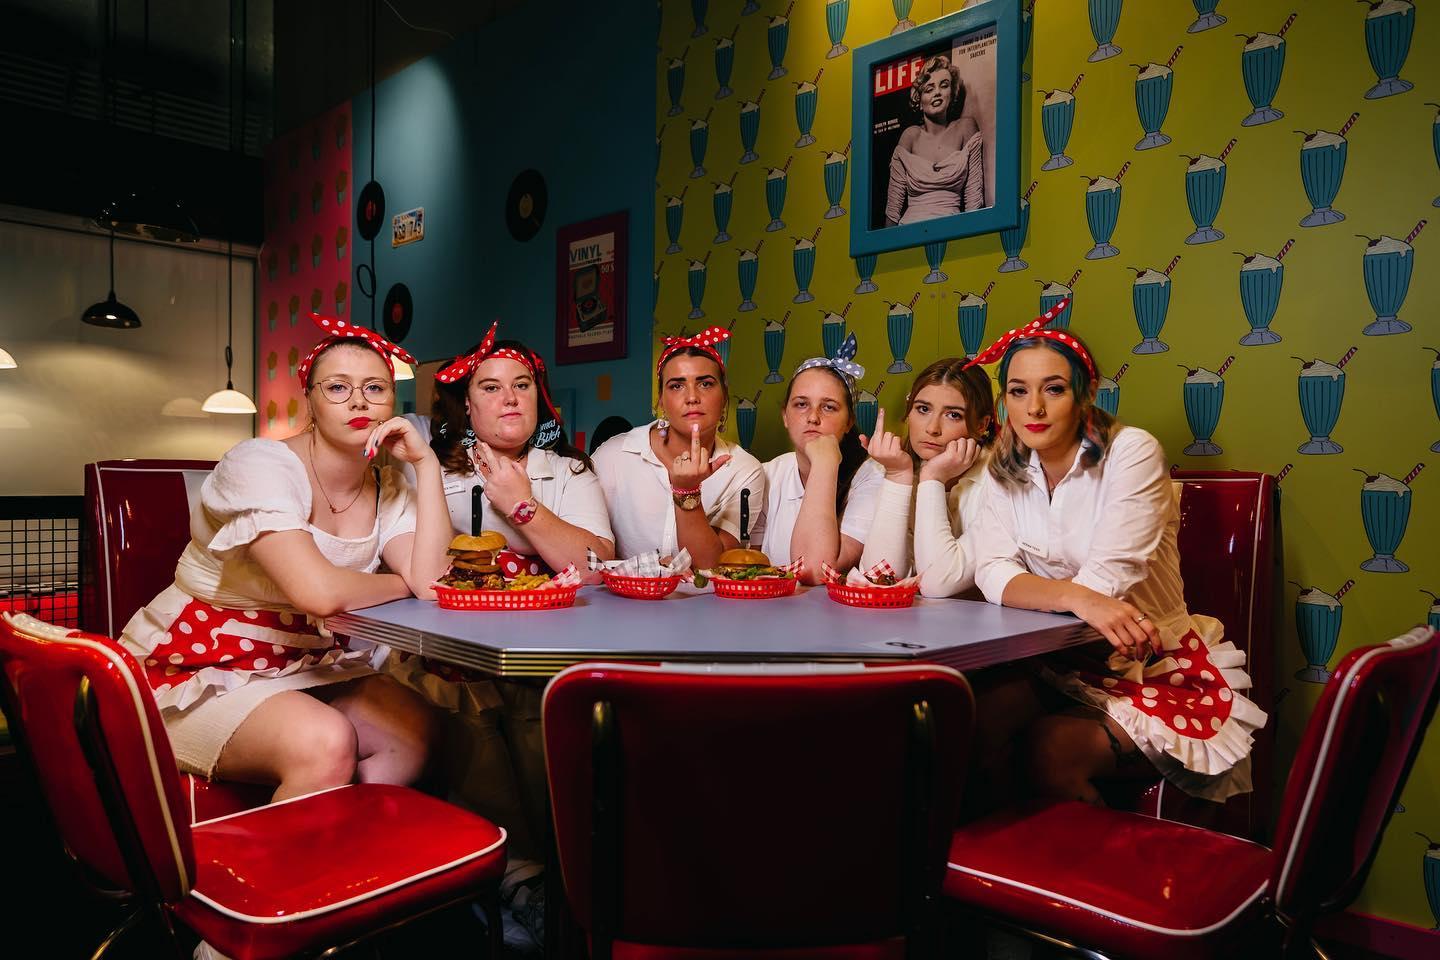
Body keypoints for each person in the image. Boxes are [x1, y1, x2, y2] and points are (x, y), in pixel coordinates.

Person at [119, 314, 448, 803]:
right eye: (338, 387)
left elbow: (433, 581)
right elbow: (318, 593)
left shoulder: (390, 485)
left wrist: (427, 463)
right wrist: (402, 583)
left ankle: (351, 841)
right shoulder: (258, 464)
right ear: (309, 400)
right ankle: (295, 850)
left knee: (416, 729)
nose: (359, 401)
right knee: (325, 742)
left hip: (304, 661)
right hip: (197, 667)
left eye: (375, 388)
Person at [967, 302, 1266, 805]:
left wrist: (1074, 594)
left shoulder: (1132, 452)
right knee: (966, 718)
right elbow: (992, 571)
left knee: (1050, 751)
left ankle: (1080, 859)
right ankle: (990, 853)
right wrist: (1076, 598)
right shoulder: (1005, 469)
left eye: (1053, 389)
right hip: (1057, 663)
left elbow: (1107, 580)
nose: (1034, 408)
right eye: (1018, 391)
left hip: (1154, 665)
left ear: (1085, 394)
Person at [390, 322, 614, 952]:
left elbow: (597, 563)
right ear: (466, 405)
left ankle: (562, 875)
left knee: (543, 699)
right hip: (453, 649)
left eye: (522, 385)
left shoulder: (567, 470)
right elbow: (425, 574)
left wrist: (523, 505)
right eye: (491, 387)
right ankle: (522, 877)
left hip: (550, 646)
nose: (510, 397)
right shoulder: (431, 474)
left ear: (540, 398)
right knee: (465, 694)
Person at [593, 326, 765, 569]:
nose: (692, 397)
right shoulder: (613, 455)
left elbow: (713, 567)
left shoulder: (744, 470)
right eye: (676, 386)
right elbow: (588, 551)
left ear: (724, 396)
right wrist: (646, 568)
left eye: (705, 384)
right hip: (625, 592)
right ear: (661, 400)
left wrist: (688, 492)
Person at [749, 334, 883, 583]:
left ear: (849, 422)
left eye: (829, 407)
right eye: (801, 404)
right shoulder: (766, 474)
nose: (813, 417)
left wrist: (824, 463)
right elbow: (751, 566)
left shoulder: (872, 477)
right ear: (785, 416)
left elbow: (814, 570)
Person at [859, 357, 996, 597]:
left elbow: (938, 582)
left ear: (982, 424)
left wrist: (933, 478)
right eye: (923, 409)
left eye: (953, 415)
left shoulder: (999, 481)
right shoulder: (887, 466)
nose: (932, 428)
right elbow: (879, 579)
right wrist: (897, 477)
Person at [885, 53, 985, 226]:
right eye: (929, 89)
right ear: (919, 100)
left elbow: (974, 200)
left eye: (944, 85)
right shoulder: (910, 136)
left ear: (952, 93)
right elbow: (892, 211)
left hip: (953, 230)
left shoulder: (966, 127)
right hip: (908, 232)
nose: (937, 92)